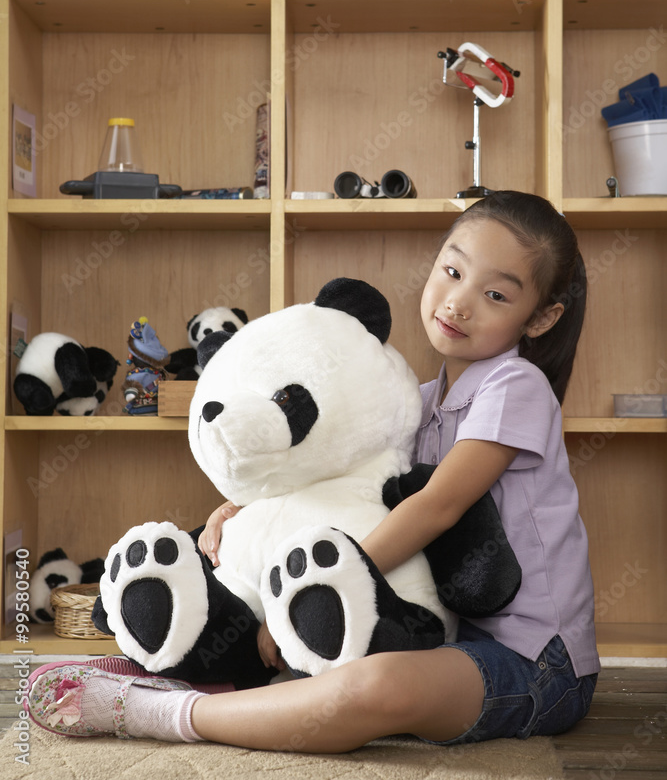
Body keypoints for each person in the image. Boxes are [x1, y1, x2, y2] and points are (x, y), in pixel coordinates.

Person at [26, 190, 599, 752]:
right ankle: (179, 671)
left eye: (496, 294)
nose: (459, 302)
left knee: (369, 688)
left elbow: (437, 506)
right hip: (443, 634)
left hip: (535, 660)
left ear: (543, 317)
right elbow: (343, 482)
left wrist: (306, 596)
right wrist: (247, 509)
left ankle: (166, 711)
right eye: (451, 271)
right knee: (306, 648)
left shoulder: (515, 386)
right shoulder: (417, 401)